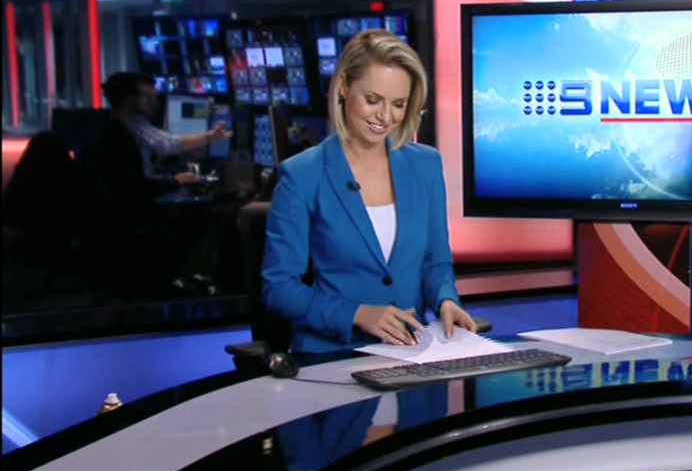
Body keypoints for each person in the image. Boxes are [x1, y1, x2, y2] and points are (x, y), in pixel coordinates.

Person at [262, 29, 477, 354]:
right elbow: (278, 289)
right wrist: (356, 314)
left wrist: (446, 299)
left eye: (398, 104)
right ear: (344, 86)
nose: (385, 117)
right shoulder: (302, 174)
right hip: (331, 356)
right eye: (373, 100)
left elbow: (435, 262)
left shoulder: (426, 165)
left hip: (410, 351)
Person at [83, 72, 235, 296]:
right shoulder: (123, 133)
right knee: (218, 214)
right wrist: (176, 181)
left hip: (123, 213)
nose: (156, 102)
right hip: (133, 216)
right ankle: (193, 280)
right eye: (149, 97)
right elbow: (136, 187)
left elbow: (155, 158)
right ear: (132, 99)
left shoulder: (119, 126)